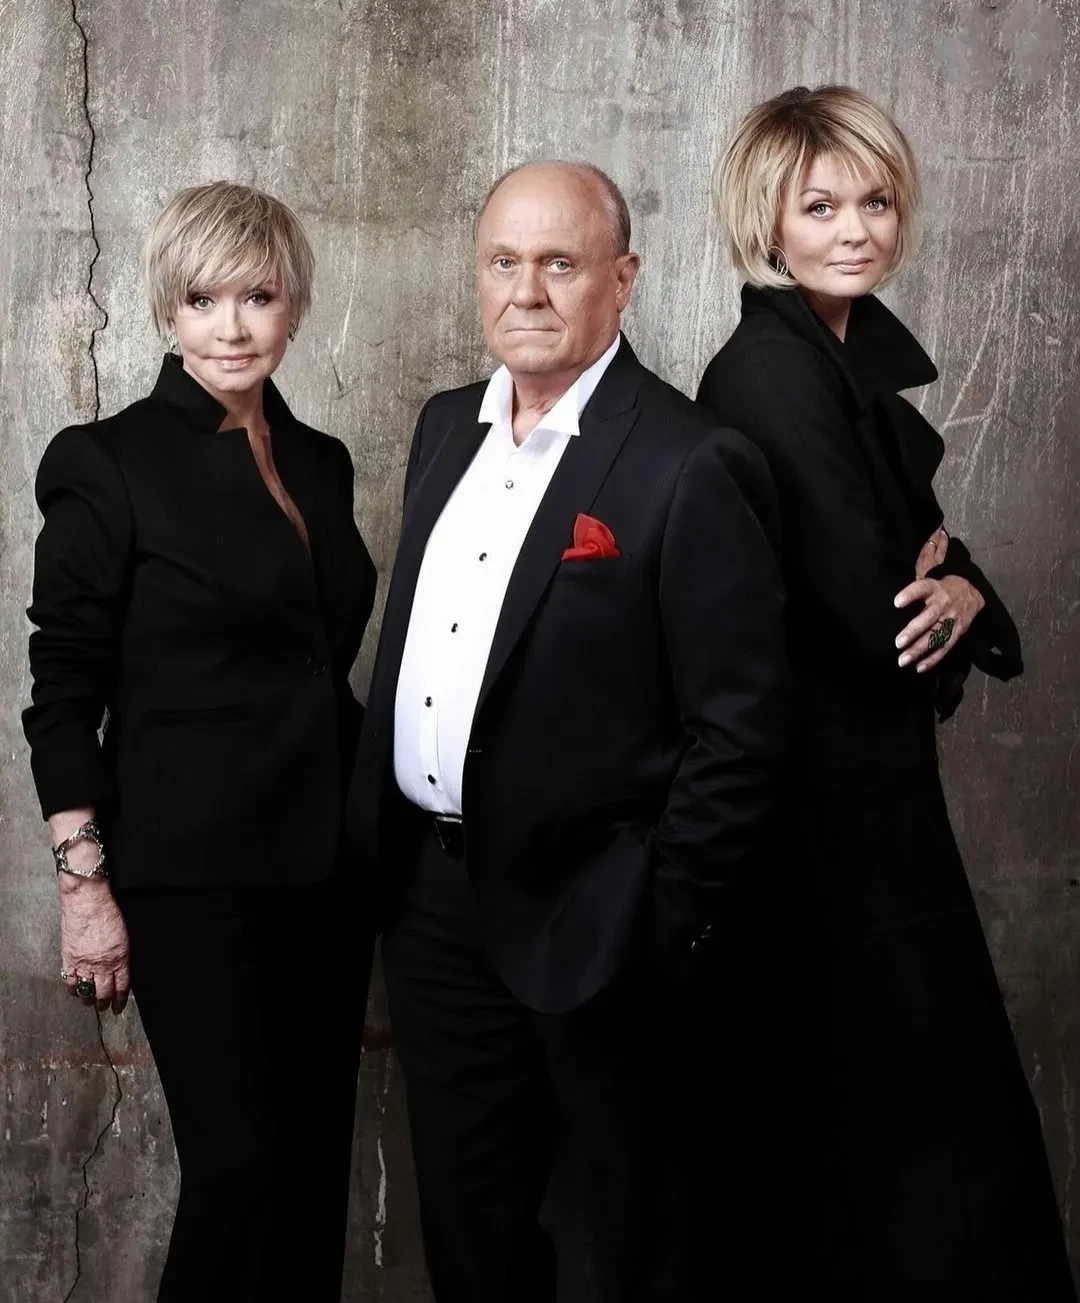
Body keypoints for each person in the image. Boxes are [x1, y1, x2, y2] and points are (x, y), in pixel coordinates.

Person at [346, 160, 788, 1301]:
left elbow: (740, 730)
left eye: (559, 262)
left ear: (622, 279)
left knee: (647, 1241)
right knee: (473, 1238)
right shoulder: (444, 428)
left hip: (601, 919)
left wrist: (660, 911)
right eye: (504, 262)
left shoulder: (689, 458)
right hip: (434, 911)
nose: (527, 291)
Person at [697, 85, 1074, 1300]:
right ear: (768, 219)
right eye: (820, 207)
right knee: (885, 1125)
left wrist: (957, 583)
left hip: (864, 793)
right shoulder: (773, 373)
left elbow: (920, 585)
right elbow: (879, 616)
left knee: (909, 1120)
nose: (856, 229)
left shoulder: (834, 359)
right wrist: (941, 581)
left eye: (875, 201)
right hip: (817, 811)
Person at [23, 181, 377, 1302]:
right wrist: (84, 882)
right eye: (203, 299)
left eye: (258, 297)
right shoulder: (106, 460)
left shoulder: (321, 460)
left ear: (294, 307)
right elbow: (61, 687)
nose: (231, 326)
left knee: (312, 1172)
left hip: (327, 865)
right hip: (191, 874)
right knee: (242, 1173)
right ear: (168, 311)